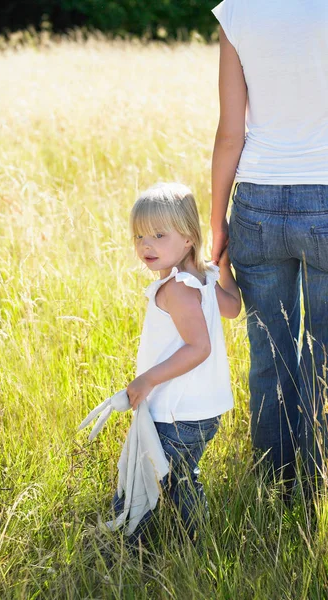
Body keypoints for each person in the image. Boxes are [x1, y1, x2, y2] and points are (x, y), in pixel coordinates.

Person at [211, 0, 328, 487]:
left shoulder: (237, 12)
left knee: (269, 358)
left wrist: (217, 224)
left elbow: (230, 133)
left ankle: (275, 483)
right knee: (323, 358)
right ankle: (316, 482)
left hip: (256, 207)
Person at [113, 182, 241, 544]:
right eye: (139, 236)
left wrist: (146, 380)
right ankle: (193, 540)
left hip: (175, 411)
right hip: (202, 408)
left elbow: (198, 347)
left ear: (188, 237)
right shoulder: (203, 277)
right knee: (180, 475)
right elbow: (232, 307)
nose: (145, 245)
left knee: (145, 477)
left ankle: (131, 545)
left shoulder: (177, 289)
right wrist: (223, 269)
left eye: (158, 234)